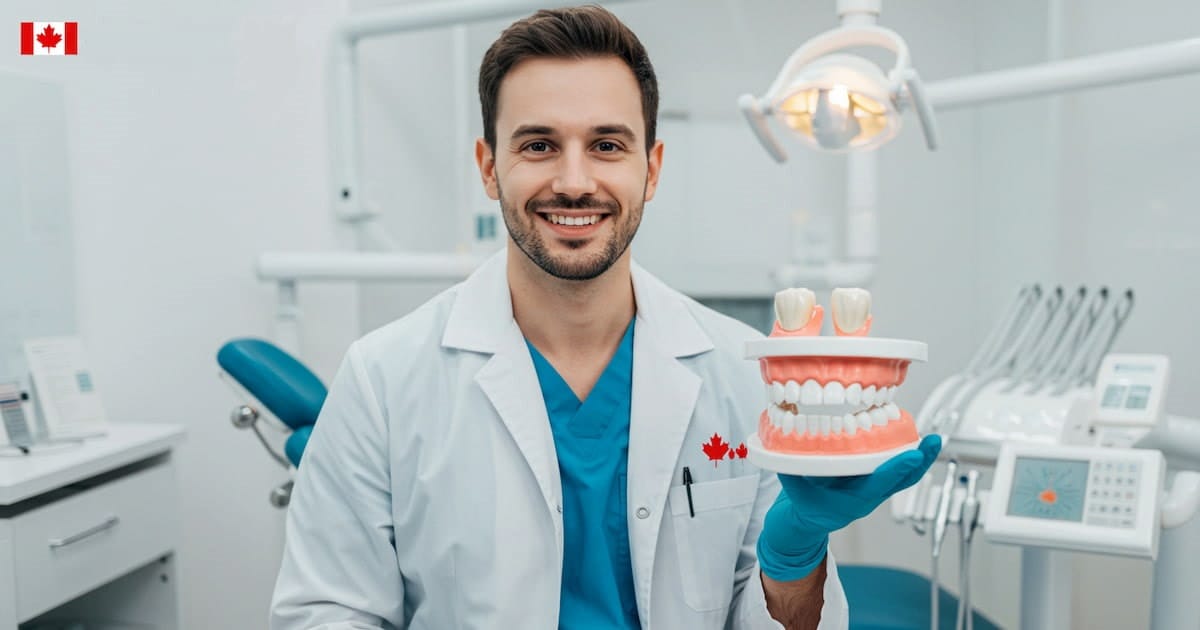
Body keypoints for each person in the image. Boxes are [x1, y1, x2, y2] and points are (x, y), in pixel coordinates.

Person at [269, 5, 939, 629]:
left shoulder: (741, 375)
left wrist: (795, 558)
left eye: (607, 146)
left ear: (651, 169)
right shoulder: (384, 379)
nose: (573, 180)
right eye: (537, 145)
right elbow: (327, 607)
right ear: (488, 167)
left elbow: (784, 622)